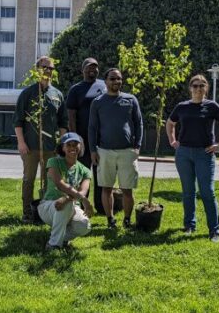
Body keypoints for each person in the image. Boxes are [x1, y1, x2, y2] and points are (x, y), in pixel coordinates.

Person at [166, 74, 219, 243]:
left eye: (201, 85)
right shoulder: (182, 107)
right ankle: (189, 225)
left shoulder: (211, 106)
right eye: (195, 86)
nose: (198, 88)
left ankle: (214, 230)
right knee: (188, 192)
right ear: (190, 88)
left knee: (207, 192)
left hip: (205, 154)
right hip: (183, 154)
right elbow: (170, 123)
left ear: (206, 88)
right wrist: (172, 140)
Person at [13, 56, 68, 223]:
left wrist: (61, 144)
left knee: (50, 181)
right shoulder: (28, 93)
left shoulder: (57, 94)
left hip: (50, 148)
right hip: (30, 147)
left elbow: (62, 122)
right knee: (28, 180)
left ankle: (46, 212)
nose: (48, 71)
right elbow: (18, 120)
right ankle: (27, 213)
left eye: (51, 68)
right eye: (44, 67)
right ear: (37, 69)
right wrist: (21, 142)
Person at [89, 68, 143, 229]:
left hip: (127, 151)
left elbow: (139, 123)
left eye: (119, 79)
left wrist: (138, 146)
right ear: (105, 81)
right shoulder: (98, 102)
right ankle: (110, 219)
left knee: (127, 190)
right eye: (112, 79)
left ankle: (127, 219)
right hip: (104, 151)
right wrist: (93, 150)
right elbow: (92, 128)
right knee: (107, 188)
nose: (116, 82)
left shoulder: (131, 99)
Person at [38, 132, 93, 250]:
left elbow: (83, 191)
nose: (72, 147)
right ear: (62, 147)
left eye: (76, 144)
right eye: (69, 145)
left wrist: (68, 198)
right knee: (66, 205)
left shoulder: (85, 170)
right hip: (49, 205)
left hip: (72, 206)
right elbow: (60, 184)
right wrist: (81, 200)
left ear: (81, 147)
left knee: (85, 225)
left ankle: (61, 237)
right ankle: (53, 245)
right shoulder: (53, 162)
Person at [66, 57, 107, 214]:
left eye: (96, 67)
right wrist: (76, 139)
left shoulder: (104, 86)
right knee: (84, 174)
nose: (93, 69)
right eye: (89, 67)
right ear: (82, 70)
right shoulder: (76, 89)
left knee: (101, 174)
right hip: (83, 139)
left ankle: (102, 206)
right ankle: (82, 205)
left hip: (102, 139)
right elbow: (71, 115)